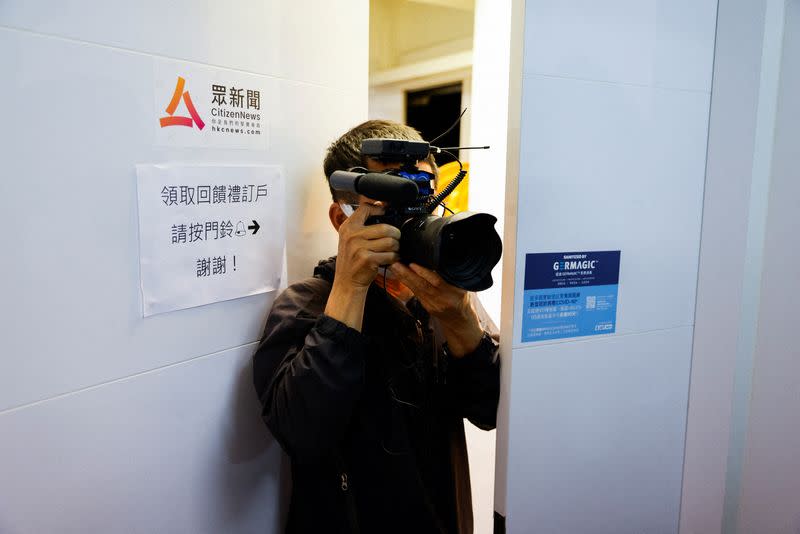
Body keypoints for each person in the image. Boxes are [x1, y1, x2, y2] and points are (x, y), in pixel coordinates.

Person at [252, 120, 500, 534]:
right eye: (392, 199)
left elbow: (491, 410)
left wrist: (459, 320)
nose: (413, 217)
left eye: (424, 195)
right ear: (341, 218)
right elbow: (302, 436)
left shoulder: (448, 298)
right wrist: (350, 288)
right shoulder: (305, 305)